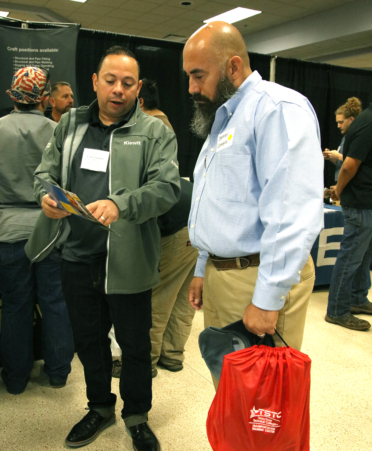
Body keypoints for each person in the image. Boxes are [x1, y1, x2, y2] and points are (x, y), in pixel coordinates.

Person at [25, 46, 180, 451]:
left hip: (128, 263)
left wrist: (120, 204)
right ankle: (98, 407)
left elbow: (167, 189)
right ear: (94, 82)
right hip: (77, 256)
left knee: (133, 346)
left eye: (127, 83)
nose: (118, 89)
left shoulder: (154, 132)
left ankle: (137, 416)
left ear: (138, 87)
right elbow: (43, 172)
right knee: (88, 342)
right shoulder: (70, 124)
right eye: (110, 80)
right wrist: (46, 197)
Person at [183, 22, 324, 387]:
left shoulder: (277, 109)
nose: (191, 88)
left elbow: (293, 214)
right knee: (232, 395)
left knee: (263, 404)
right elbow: (215, 202)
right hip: (222, 276)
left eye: (198, 75)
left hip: (257, 278)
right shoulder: (223, 119)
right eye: (188, 76)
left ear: (232, 67)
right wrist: (203, 268)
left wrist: (268, 298)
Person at [110, 79, 198, 379]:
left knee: (157, 296)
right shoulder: (165, 124)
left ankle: (145, 363)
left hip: (175, 225)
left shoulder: (147, 131)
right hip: (195, 216)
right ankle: (172, 355)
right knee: (183, 295)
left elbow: (147, 196)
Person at [0, 67, 74, 395]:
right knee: (55, 302)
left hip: (7, 233)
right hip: (50, 233)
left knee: (15, 305)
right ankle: (58, 374)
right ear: (44, 99)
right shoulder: (57, 132)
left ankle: (15, 380)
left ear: (13, 96)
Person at [326, 102, 372, 331]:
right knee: (352, 256)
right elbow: (349, 166)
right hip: (361, 202)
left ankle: (357, 298)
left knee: (363, 255)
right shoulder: (367, 123)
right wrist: (339, 190)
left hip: (367, 203)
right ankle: (337, 310)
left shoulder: (365, 121)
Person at [323, 97, 362, 182]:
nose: (338, 126)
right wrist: (331, 157)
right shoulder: (346, 137)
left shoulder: (359, 138)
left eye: (341, 122)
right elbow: (342, 163)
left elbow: (355, 162)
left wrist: (338, 156)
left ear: (351, 119)